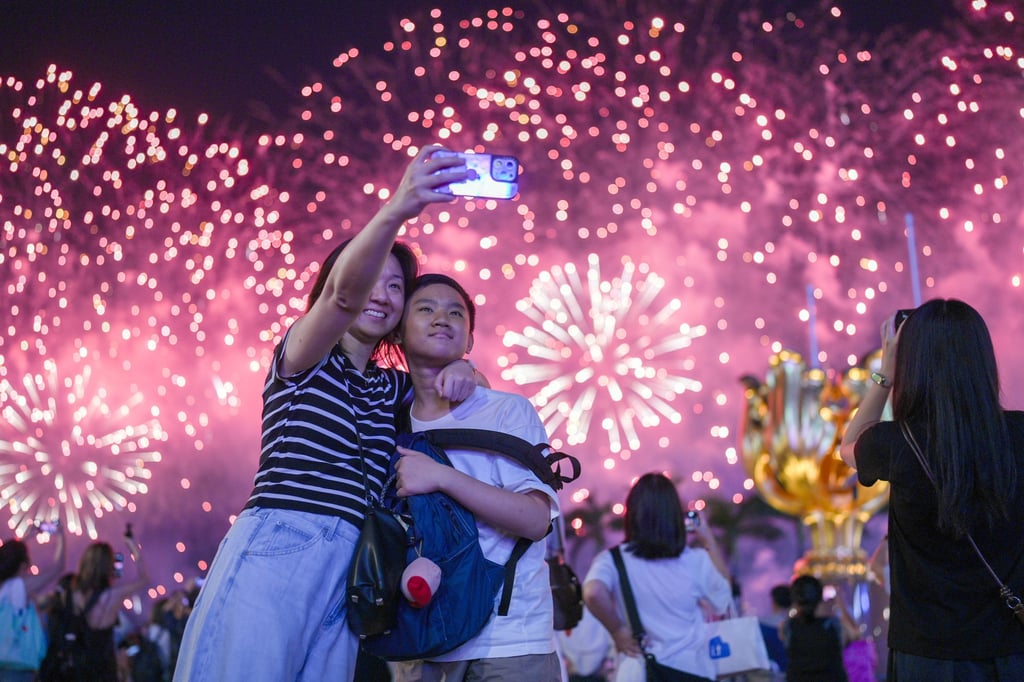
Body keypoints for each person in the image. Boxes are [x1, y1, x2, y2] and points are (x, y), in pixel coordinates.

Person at [173, 148, 482, 682]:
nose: (380, 296)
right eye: (370, 279)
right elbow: (342, 300)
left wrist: (469, 372)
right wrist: (397, 210)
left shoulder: (389, 388)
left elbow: (450, 390)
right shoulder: (303, 356)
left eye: (395, 287)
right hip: (282, 541)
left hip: (354, 567)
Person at [388, 273, 563, 682]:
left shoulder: (506, 412)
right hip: (421, 642)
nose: (441, 319)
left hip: (508, 643)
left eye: (455, 313)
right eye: (425, 309)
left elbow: (535, 520)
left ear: (468, 341)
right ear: (397, 331)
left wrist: (441, 477)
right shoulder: (388, 419)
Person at [839, 298, 1024, 680]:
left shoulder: (896, 443)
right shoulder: (1019, 434)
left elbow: (848, 446)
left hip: (926, 657)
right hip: (1011, 649)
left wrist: (884, 375)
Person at [583, 473, 732, 682]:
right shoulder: (696, 560)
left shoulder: (613, 559)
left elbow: (592, 593)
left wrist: (617, 630)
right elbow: (724, 598)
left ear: (632, 514)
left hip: (638, 671)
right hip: (691, 668)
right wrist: (707, 538)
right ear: (674, 515)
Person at [40, 537, 150, 682]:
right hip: (103, 667)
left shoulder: (71, 592)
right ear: (109, 566)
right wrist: (133, 547)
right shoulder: (112, 596)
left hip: (75, 667)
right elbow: (144, 579)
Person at [0, 524, 66, 682]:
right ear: (23, 565)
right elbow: (57, 568)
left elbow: (8, 557)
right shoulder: (18, 587)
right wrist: (61, 536)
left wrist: (25, 540)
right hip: (16, 667)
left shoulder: (4, 587)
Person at [780, 575, 848, 682]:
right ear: (820, 597)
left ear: (794, 598)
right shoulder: (833, 625)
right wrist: (841, 604)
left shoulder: (788, 627)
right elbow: (853, 636)